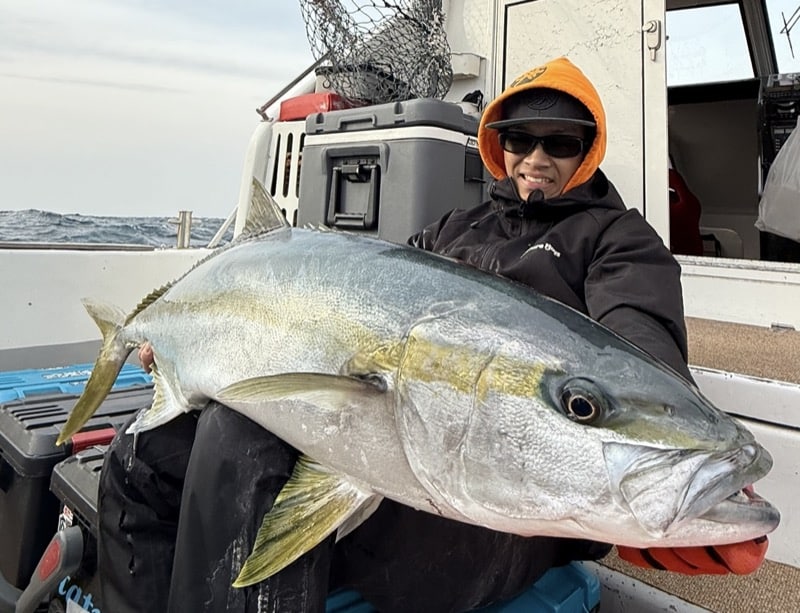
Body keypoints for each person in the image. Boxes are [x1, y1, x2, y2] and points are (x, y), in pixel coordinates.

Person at [97, 56, 768, 613]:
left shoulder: (619, 240)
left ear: (587, 149)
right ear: (497, 144)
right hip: (394, 453)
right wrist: (187, 349)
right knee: (141, 457)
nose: (536, 158)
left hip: (495, 518)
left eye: (561, 142)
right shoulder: (454, 228)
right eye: (519, 138)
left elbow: (640, 345)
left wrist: (667, 459)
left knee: (238, 441)